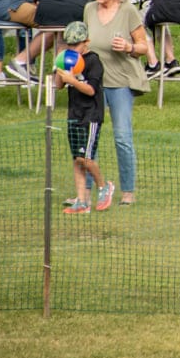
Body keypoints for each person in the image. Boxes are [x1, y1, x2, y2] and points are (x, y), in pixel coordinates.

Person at [83, 0, 148, 203]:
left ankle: (128, 192)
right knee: (91, 139)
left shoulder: (128, 11)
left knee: (122, 137)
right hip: (94, 82)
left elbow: (143, 46)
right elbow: (85, 41)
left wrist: (129, 47)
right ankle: (88, 191)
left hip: (120, 82)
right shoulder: (89, 9)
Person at [54, 21, 114, 214]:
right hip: (74, 114)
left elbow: (90, 90)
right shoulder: (66, 59)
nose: (72, 49)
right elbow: (59, 86)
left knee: (86, 158)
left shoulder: (93, 61)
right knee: (77, 159)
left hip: (91, 115)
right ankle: (81, 201)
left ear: (86, 42)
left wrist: (73, 80)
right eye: (68, 45)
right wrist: (59, 69)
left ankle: (104, 187)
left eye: (76, 45)